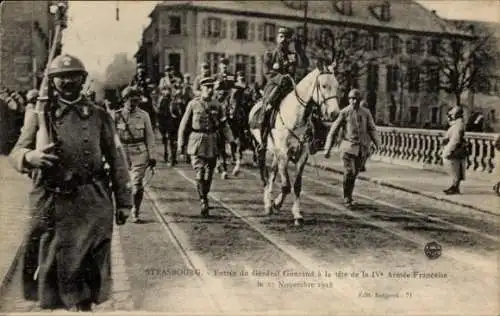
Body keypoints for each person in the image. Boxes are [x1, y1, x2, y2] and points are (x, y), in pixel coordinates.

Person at [8, 54, 132, 311]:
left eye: (73, 76)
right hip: (52, 199)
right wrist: (31, 156)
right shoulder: (41, 115)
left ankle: (83, 306)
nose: (67, 81)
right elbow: (15, 153)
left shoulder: (99, 116)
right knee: (54, 266)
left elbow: (118, 160)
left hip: (91, 200)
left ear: (83, 79)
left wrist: (124, 202)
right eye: (61, 77)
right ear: (52, 82)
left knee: (88, 266)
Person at [177, 77, 234, 216]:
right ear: (201, 89)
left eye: (211, 87)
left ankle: (205, 195)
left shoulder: (217, 105)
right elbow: (183, 125)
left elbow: (224, 124)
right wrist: (180, 144)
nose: (210, 90)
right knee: (200, 172)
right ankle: (203, 200)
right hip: (197, 141)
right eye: (207, 87)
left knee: (208, 175)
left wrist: (231, 140)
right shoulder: (193, 104)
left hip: (212, 142)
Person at [323, 89, 379, 207]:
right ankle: (346, 198)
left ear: (359, 100)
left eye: (356, 99)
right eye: (351, 99)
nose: (353, 101)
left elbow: (372, 128)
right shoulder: (344, 112)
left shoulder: (366, 113)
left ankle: (349, 196)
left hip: (361, 149)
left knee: (354, 174)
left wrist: (378, 143)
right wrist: (327, 148)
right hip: (347, 147)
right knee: (349, 171)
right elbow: (333, 131)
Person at [260, 26, 308, 151]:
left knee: (306, 104)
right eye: (281, 37)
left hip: (290, 88)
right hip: (275, 87)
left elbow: (305, 64)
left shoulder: (293, 56)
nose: (283, 40)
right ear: (277, 38)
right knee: (268, 108)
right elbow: (267, 72)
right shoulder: (270, 54)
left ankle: (309, 138)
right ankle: (263, 140)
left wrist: (300, 50)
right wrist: (281, 78)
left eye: (286, 38)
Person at [114, 85, 156, 222]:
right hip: (121, 153)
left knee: (137, 185)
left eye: (137, 101)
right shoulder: (117, 115)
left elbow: (149, 136)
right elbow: (110, 137)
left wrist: (152, 156)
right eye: (131, 101)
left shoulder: (144, 116)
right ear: (124, 100)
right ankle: (121, 208)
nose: (134, 104)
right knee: (121, 184)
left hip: (139, 152)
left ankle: (135, 210)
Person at [441, 106, 467, 195]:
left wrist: (449, 150)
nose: (449, 117)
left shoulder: (458, 124)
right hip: (457, 148)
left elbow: (455, 139)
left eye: (451, 115)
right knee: (456, 168)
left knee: (455, 168)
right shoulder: (457, 124)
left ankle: (455, 187)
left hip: (455, 149)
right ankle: (454, 186)